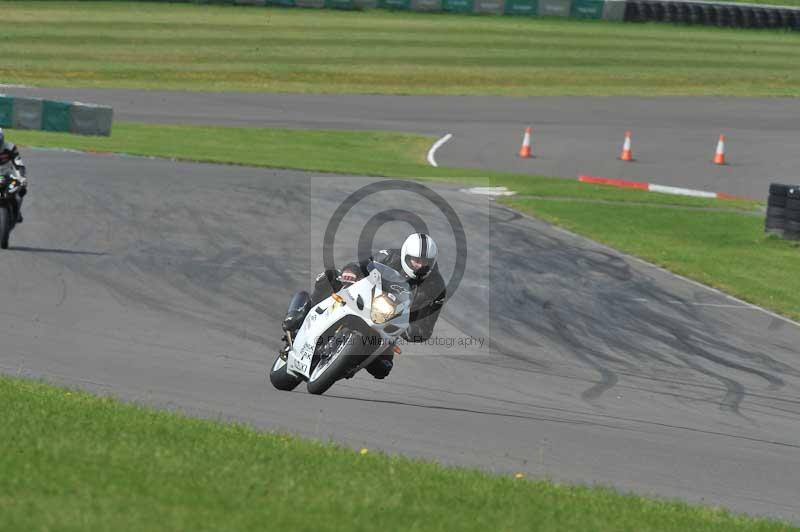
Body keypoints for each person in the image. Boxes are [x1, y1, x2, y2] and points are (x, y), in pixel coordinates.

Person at [297, 233, 447, 380]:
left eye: (425, 261)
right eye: (416, 260)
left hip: (388, 324)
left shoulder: (436, 287)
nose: (420, 265)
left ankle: (346, 362)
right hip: (366, 300)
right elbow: (361, 265)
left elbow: (426, 326)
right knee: (328, 276)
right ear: (405, 255)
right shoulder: (390, 256)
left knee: (383, 368)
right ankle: (303, 313)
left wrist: (411, 329)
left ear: (432, 262)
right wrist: (351, 272)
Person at [0, 128, 28, 223]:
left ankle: (17, 211)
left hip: (8, 175)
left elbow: (19, 164)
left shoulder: (10, 147)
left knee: (21, 189)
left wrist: (22, 178)